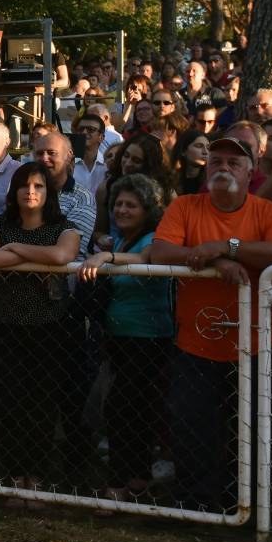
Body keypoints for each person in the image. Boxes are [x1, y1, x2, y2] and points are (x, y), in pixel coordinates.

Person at [149, 133, 272, 510]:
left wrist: (228, 247)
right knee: (192, 426)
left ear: (251, 173)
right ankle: (199, 506)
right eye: (216, 161)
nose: (223, 168)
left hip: (259, 342)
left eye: (234, 163)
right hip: (195, 344)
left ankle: (252, 507)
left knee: (255, 427)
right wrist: (217, 262)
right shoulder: (185, 206)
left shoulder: (268, 213)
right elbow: (161, 251)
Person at [0, 162, 81, 500]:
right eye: (24, 185)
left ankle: (37, 477)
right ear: (14, 191)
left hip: (49, 330)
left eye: (38, 186)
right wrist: (36, 258)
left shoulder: (64, 226)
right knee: (8, 402)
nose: (30, 191)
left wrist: (16, 249)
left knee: (42, 404)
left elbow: (63, 254)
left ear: (49, 192)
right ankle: (14, 475)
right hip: (5, 327)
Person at [78, 174, 174, 500]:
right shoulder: (120, 240)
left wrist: (107, 258)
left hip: (147, 337)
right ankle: (138, 478)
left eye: (131, 205)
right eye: (118, 204)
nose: (122, 210)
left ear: (147, 210)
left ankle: (118, 485)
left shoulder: (151, 239)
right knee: (131, 410)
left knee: (123, 409)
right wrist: (109, 250)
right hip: (118, 337)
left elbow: (147, 261)